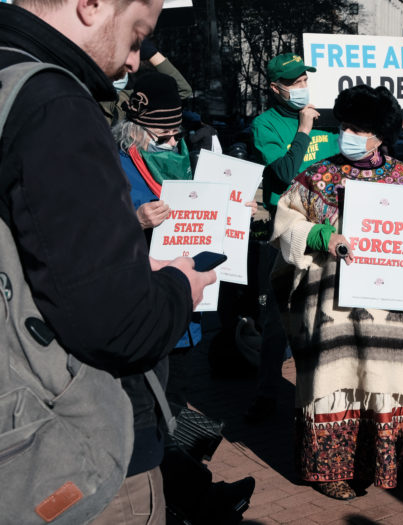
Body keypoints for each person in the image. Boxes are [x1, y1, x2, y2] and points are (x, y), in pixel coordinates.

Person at [0, 1, 215, 523]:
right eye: (138, 35)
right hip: (68, 443)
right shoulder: (52, 102)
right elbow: (121, 324)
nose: (136, 60)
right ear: (93, 5)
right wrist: (177, 287)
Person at [271, 85, 403, 500]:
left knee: (384, 381)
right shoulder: (315, 176)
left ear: (380, 135)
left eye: (358, 129)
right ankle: (330, 469)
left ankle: (389, 463)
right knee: (335, 381)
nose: (346, 134)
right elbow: (284, 224)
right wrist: (318, 235)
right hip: (332, 306)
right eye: (345, 126)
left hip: (390, 311)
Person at [112, 71, 256, 524]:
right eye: (162, 130)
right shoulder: (111, 163)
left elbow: (213, 211)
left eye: (176, 128)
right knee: (154, 413)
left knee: (172, 403)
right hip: (141, 305)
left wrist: (242, 208)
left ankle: (186, 494)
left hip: (189, 308)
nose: (172, 136)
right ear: (135, 124)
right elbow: (90, 234)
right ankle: (196, 496)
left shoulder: (192, 159)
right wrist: (134, 220)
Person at [237, 53, 340, 421]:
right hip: (284, 232)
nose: (301, 88)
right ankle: (266, 394)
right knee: (277, 323)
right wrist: (303, 131)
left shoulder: (328, 117)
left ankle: (316, 397)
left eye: (303, 80)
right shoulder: (264, 126)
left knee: (321, 319)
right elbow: (281, 174)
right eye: (294, 82)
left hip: (325, 232)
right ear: (275, 88)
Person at [103, 37, 193, 126]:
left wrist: (151, 54)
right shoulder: (94, 102)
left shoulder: (131, 101)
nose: (131, 67)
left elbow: (183, 91)